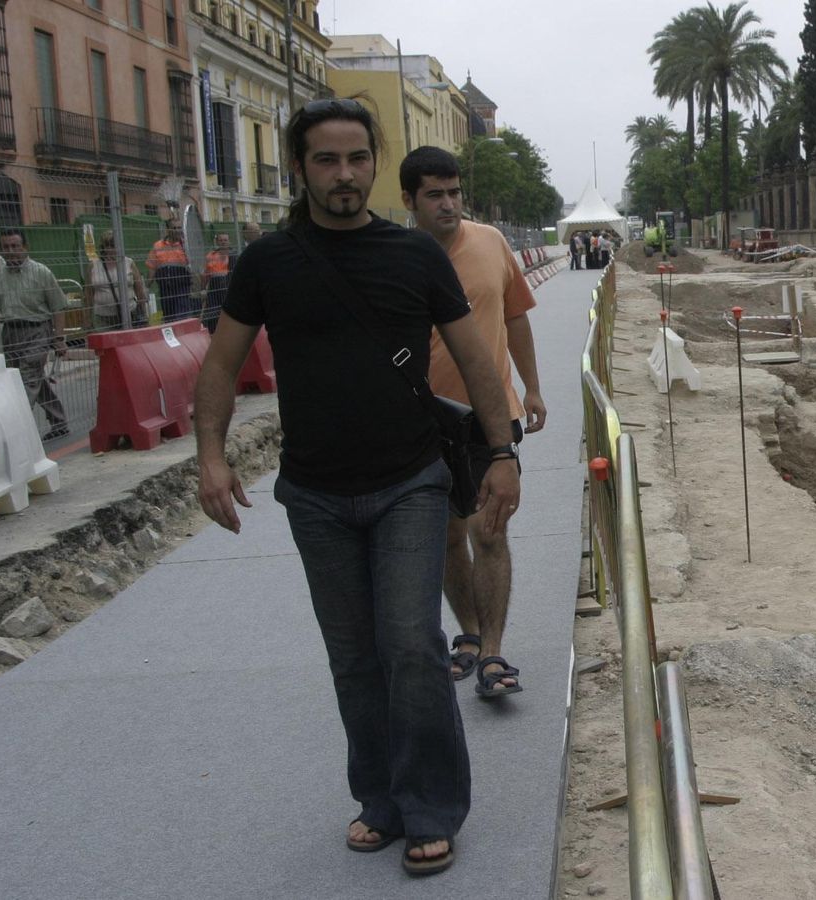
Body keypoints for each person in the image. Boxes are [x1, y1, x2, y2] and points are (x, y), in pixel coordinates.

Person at [195, 97, 520, 878]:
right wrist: (209, 453)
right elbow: (219, 362)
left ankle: (432, 805)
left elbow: (476, 359)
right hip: (314, 495)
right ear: (300, 166)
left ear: (376, 165)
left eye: (357, 159)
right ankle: (380, 798)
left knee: (410, 645)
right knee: (353, 658)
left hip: (410, 481)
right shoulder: (268, 261)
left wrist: (502, 453)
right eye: (326, 160)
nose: (344, 175)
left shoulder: (413, 258)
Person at [400, 145, 547, 700]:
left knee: (490, 529)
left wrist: (531, 387)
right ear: (409, 200)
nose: (448, 204)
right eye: (434, 195)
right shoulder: (397, 255)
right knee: (445, 535)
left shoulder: (490, 242)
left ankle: (492, 652)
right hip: (422, 422)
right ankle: (466, 631)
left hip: (492, 417)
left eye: (455, 192)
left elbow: (516, 316)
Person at [0, 229, 69, 439]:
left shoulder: (41, 272)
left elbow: (58, 307)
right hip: (11, 333)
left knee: (27, 381)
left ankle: (17, 434)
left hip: (37, 331)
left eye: (15, 246)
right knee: (28, 380)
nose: (11, 251)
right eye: (6, 247)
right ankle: (59, 421)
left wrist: (59, 339)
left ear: (25, 248)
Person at [85, 230, 146, 332]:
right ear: (103, 247)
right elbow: (88, 294)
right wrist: (87, 319)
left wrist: (143, 314)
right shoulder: (93, 266)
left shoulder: (129, 263)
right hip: (102, 316)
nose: (110, 249)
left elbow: (139, 290)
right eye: (107, 246)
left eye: (113, 245)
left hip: (129, 314)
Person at [147, 220, 194, 321]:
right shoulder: (158, 246)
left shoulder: (186, 246)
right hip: (165, 289)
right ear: (167, 230)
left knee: (181, 317)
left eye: (179, 228)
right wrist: (146, 287)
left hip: (182, 288)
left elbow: (194, 266)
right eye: (174, 228)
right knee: (169, 318)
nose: (178, 230)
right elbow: (152, 267)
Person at [200, 232, 232, 330]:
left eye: (225, 240)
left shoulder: (233, 255)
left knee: (227, 311)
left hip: (228, 286)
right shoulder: (211, 256)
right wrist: (203, 289)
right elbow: (205, 273)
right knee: (212, 311)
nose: (223, 242)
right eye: (221, 240)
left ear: (229, 242)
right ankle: (213, 331)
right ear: (217, 242)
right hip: (214, 287)